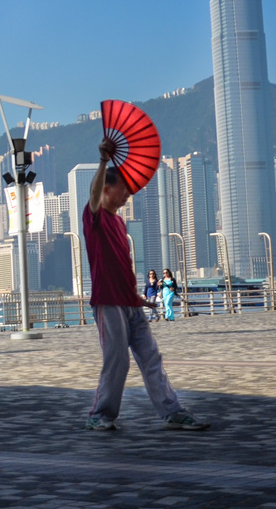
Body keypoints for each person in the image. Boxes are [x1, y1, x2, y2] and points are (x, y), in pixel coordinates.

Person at [82, 166, 209, 432]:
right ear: (107, 189)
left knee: (151, 356)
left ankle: (172, 410)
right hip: (108, 302)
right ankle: (100, 414)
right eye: (123, 188)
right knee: (117, 360)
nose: (128, 193)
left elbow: (122, 266)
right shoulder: (95, 217)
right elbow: (93, 194)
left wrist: (138, 298)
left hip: (130, 304)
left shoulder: (119, 222)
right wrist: (103, 160)